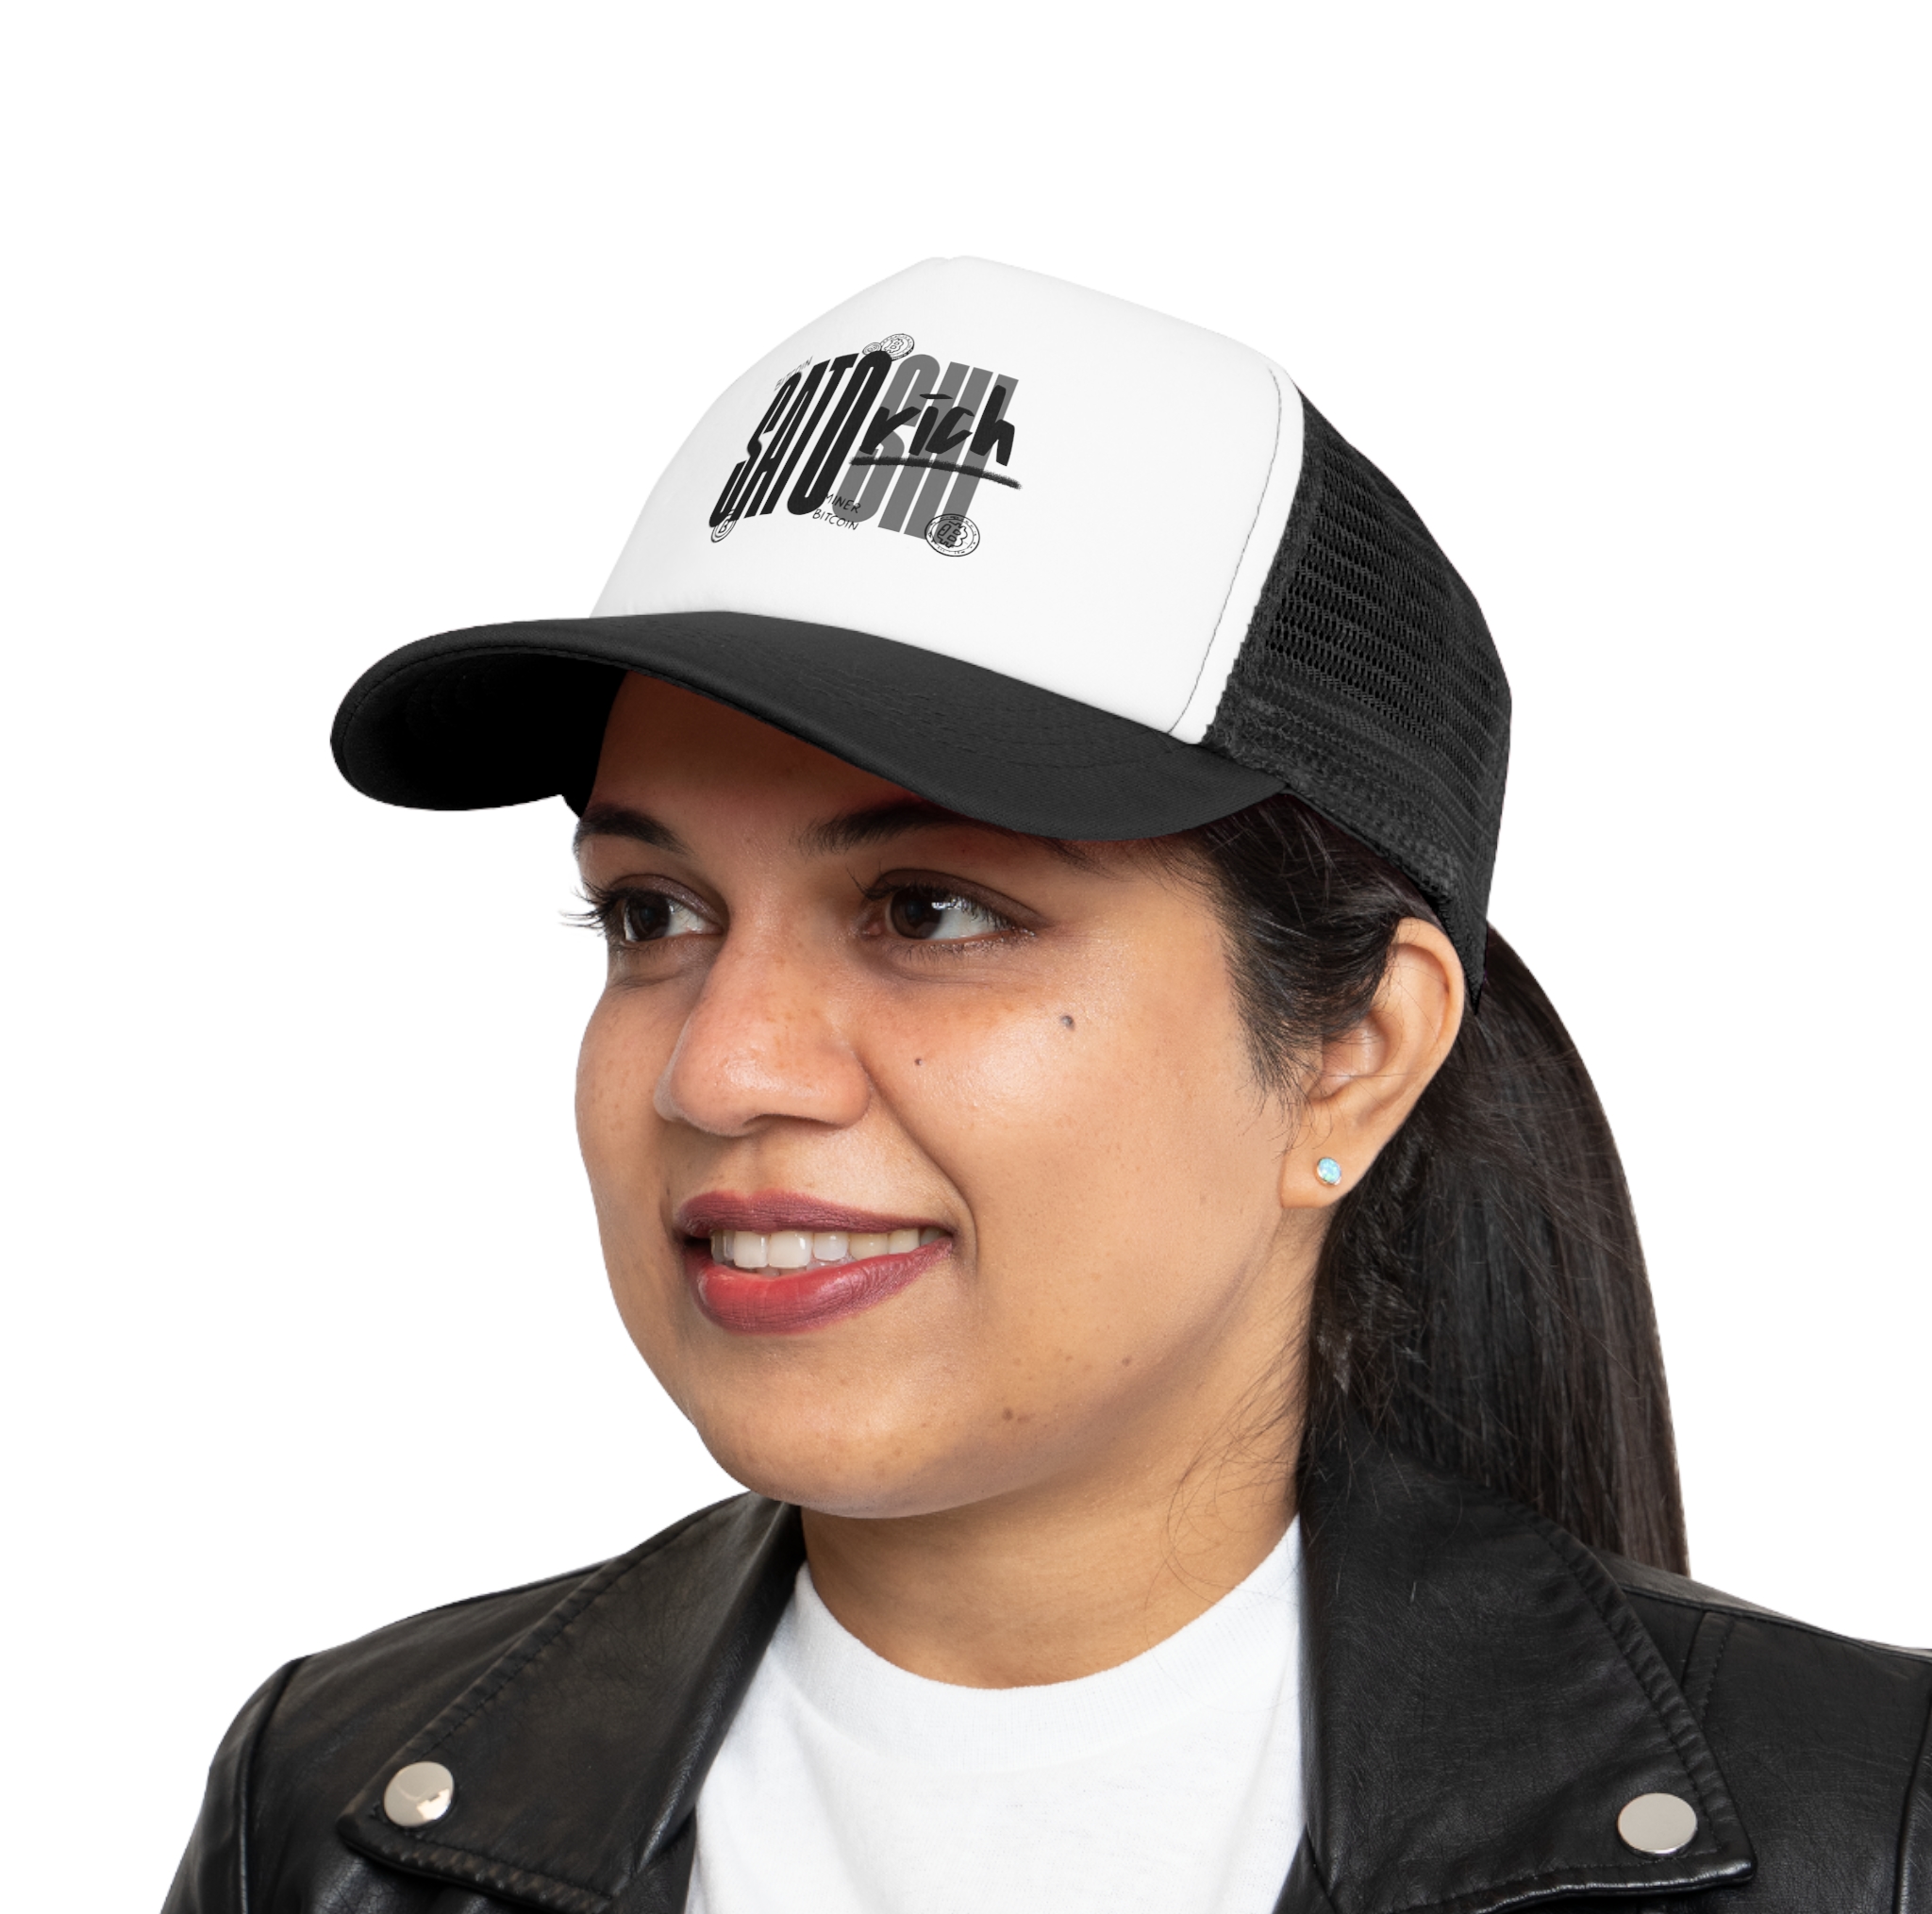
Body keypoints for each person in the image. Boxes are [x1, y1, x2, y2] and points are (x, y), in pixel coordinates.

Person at [165, 258, 1931, 1914]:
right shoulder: (327, 1813)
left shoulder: (1872, 1833)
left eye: (930, 910)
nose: (721, 1065)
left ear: (1352, 1054)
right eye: (653, 912)